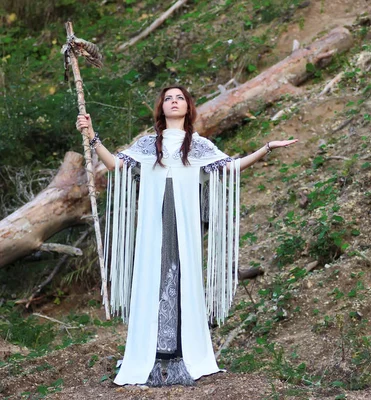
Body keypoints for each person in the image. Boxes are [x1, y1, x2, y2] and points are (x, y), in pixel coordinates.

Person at [76, 86, 297, 386]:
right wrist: (91, 136)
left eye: (179, 98)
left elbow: (231, 167)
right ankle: (150, 358)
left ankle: (180, 356)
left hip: (183, 228)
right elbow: (115, 165)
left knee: (181, 280)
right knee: (152, 280)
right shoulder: (147, 145)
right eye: (168, 98)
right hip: (153, 228)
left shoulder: (199, 147)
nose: (174, 101)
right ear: (161, 108)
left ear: (188, 107)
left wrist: (266, 147)